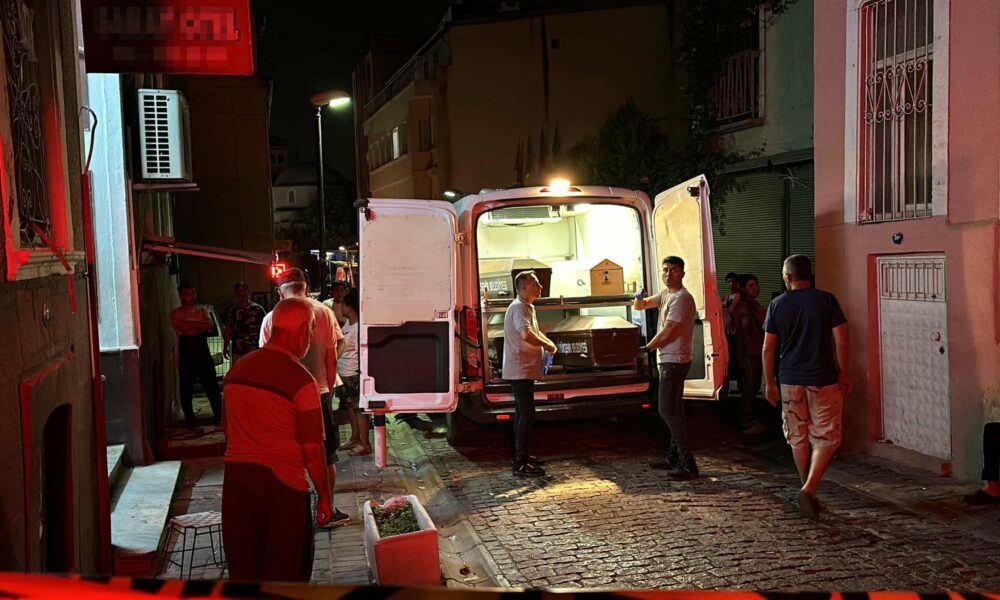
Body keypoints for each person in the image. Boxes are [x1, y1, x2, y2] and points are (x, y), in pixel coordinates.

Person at [221, 298, 332, 581]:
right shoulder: (301, 381)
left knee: (245, 571)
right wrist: (324, 497)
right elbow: (312, 450)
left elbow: (227, 429)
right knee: (286, 574)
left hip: (236, 485)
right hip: (283, 489)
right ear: (302, 331)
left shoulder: (236, 371)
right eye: (310, 329)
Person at [762, 255, 850, 521]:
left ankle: (806, 486)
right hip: (823, 378)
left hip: (790, 379)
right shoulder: (826, 300)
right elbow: (841, 341)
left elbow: (768, 348)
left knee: (797, 435)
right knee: (826, 436)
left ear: (788, 277)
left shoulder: (777, 304)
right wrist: (844, 372)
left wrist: (769, 383)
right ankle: (809, 488)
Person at [260, 268, 349, 525]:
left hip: (284, 397)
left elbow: (266, 361)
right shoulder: (324, 312)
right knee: (325, 454)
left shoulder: (271, 318)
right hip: (319, 392)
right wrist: (329, 388)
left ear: (280, 292)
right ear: (306, 287)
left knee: (290, 453)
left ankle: (293, 512)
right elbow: (332, 355)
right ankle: (328, 508)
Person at [634, 256, 699, 479]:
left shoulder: (682, 298)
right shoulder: (665, 295)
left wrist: (647, 348)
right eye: (665, 270)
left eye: (673, 270)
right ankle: (674, 456)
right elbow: (641, 306)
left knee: (667, 410)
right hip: (669, 359)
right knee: (675, 409)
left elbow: (669, 330)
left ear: (682, 273)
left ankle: (688, 461)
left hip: (675, 360)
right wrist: (637, 297)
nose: (668, 274)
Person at [503, 270, 557, 477]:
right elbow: (526, 334)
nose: (541, 287)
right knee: (526, 414)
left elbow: (533, 331)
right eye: (536, 284)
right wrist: (548, 345)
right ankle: (520, 462)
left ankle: (522, 455)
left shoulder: (527, 307)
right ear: (524, 288)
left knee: (523, 413)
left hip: (525, 368)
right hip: (520, 369)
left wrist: (548, 343)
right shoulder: (518, 308)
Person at [170, 283, 222, 429]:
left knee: (212, 387)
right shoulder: (176, 313)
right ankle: (191, 423)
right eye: (187, 294)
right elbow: (187, 331)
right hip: (186, 355)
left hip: (203, 353)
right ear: (180, 296)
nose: (191, 297)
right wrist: (199, 324)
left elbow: (210, 326)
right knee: (186, 390)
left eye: (193, 293)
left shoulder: (202, 310)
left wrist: (191, 324)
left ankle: (219, 418)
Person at [336, 289, 369, 456]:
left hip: (354, 375)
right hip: (344, 373)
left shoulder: (358, 328)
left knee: (359, 409)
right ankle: (355, 438)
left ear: (349, 307)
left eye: (342, 303)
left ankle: (365, 444)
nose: (340, 307)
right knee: (350, 407)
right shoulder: (348, 325)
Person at [733, 274, 767, 436]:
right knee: (750, 386)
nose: (756, 288)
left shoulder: (752, 305)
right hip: (749, 352)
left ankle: (749, 419)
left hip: (755, 350)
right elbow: (748, 332)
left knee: (753, 386)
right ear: (743, 289)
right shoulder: (744, 307)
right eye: (752, 285)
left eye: (756, 284)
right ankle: (746, 423)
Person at [222, 281, 266, 365]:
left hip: (254, 350)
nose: (241, 293)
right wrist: (225, 346)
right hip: (238, 351)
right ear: (235, 293)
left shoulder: (258, 309)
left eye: (243, 290)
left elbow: (265, 328)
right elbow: (228, 330)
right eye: (239, 291)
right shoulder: (232, 311)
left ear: (247, 291)